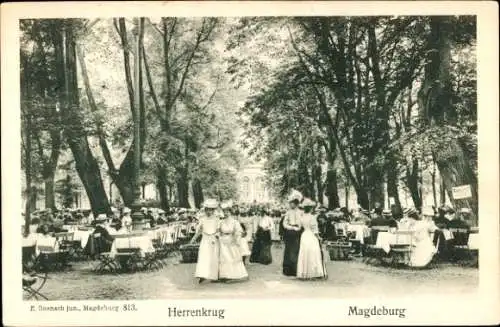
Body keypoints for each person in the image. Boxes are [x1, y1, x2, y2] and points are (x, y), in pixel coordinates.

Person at [189, 199, 220, 284]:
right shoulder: (202, 219)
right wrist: (193, 239)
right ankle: (202, 274)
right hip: (205, 239)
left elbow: (218, 230)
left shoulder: (217, 219)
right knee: (203, 257)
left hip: (213, 239)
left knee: (213, 257)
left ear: (213, 210)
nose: (209, 212)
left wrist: (216, 236)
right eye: (207, 209)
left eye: (211, 210)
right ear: (205, 210)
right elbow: (199, 231)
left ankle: (213, 275)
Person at [296, 198, 327, 280]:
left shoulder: (301, 217)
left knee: (305, 252)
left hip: (304, 235)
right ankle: (314, 272)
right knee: (313, 253)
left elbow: (299, 227)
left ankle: (304, 272)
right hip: (311, 235)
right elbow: (315, 230)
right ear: (310, 208)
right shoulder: (312, 217)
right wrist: (319, 237)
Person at [218, 202, 248, 282]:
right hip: (223, 241)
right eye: (224, 211)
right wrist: (219, 236)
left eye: (227, 211)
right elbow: (218, 231)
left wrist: (236, 239)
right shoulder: (221, 222)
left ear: (230, 212)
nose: (225, 213)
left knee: (231, 257)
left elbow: (239, 232)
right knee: (224, 258)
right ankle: (224, 275)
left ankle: (233, 275)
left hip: (232, 241)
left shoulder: (235, 222)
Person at [282, 190, 303, 276]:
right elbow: (284, 222)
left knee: (296, 250)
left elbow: (302, 222)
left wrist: (298, 228)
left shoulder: (301, 212)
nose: (290, 205)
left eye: (291, 203)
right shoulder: (288, 212)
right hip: (289, 232)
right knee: (288, 250)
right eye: (290, 203)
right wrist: (289, 227)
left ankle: (296, 269)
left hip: (298, 232)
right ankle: (288, 270)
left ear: (296, 203)